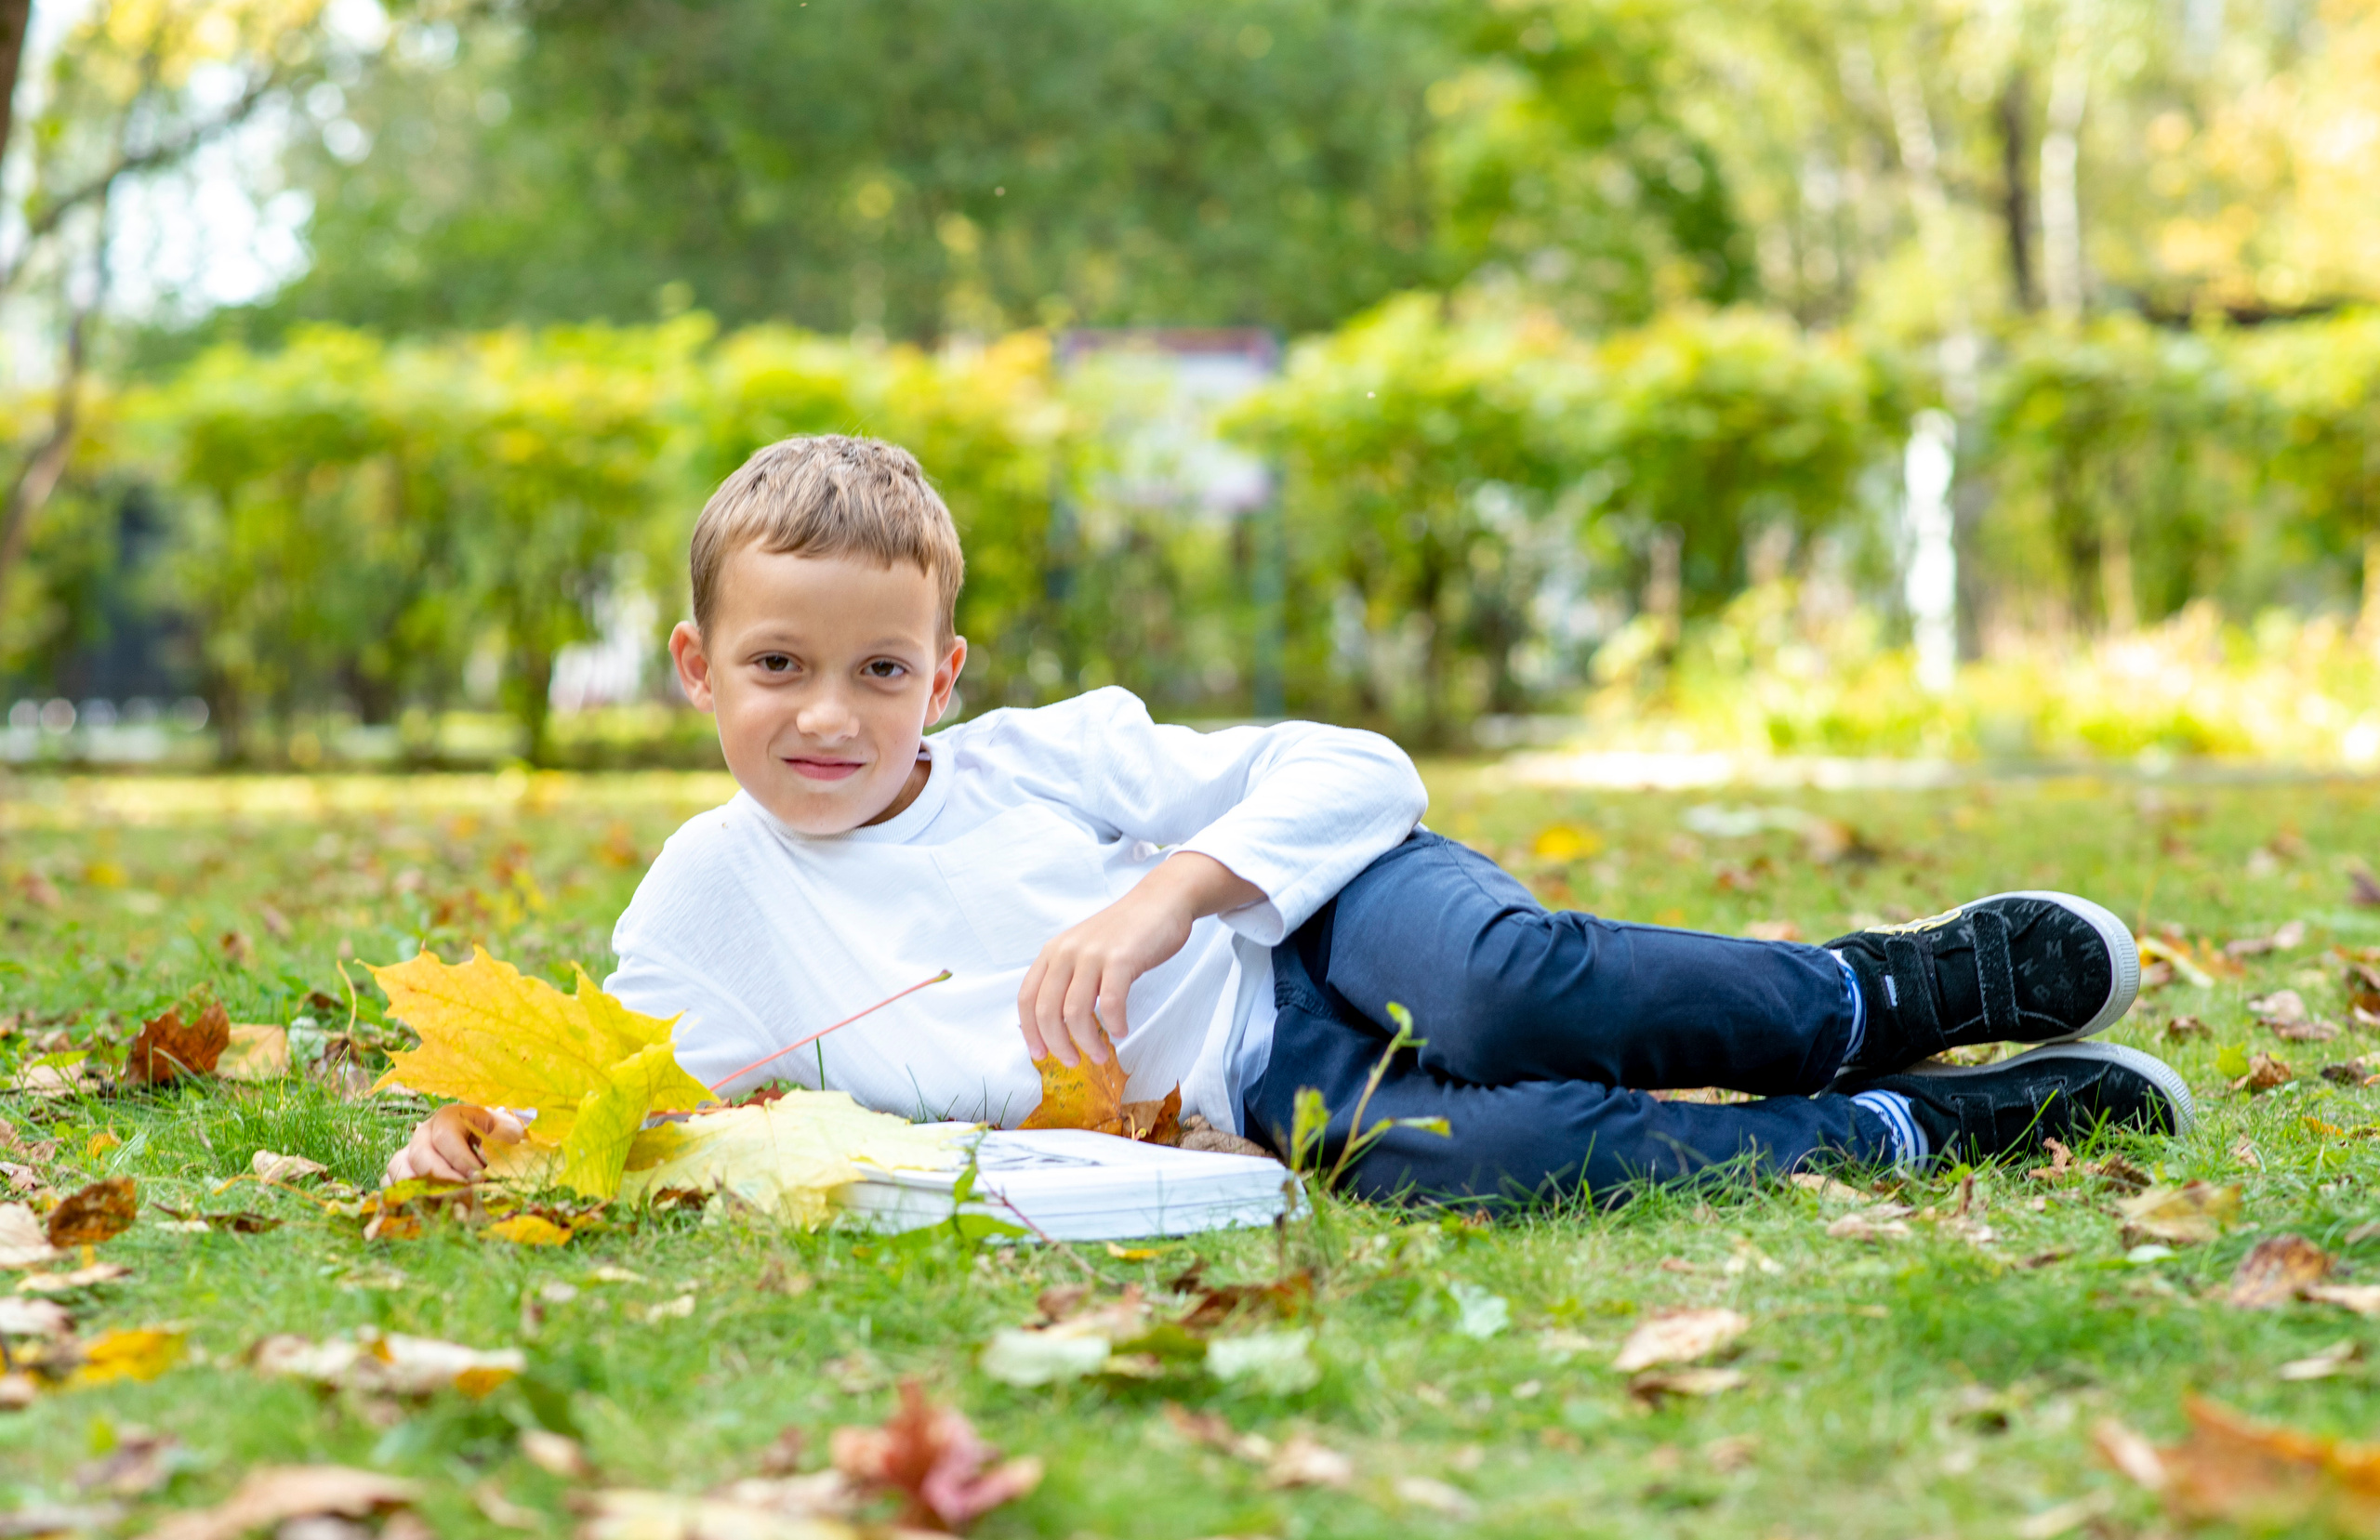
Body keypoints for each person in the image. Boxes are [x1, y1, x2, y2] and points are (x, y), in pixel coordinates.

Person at [383, 434, 2192, 1204]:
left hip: (1317, 922)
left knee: (1502, 994)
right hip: (1253, 1088)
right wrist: (487, 1138)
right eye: (778, 666)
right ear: (697, 668)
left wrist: (1166, 896)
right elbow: (625, 1078)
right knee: (1480, 1161)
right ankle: (1903, 1132)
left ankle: (1874, 995)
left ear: (942, 674)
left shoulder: (1043, 755)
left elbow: (1355, 768)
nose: (826, 715)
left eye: (877, 671)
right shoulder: (714, 890)